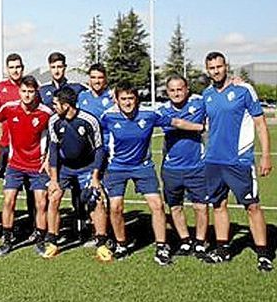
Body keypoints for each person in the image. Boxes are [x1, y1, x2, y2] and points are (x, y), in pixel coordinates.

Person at [184, 52, 272, 271]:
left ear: (226, 66)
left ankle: (263, 254)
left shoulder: (244, 90)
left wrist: (266, 155)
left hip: (239, 160)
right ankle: (222, 250)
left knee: (252, 206)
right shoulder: (207, 95)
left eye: (219, 66)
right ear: (207, 70)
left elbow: (260, 124)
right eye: (211, 68)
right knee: (219, 205)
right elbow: (200, 121)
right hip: (213, 160)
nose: (216, 71)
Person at [100, 83, 172, 265]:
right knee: (115, 207)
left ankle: (162, 246)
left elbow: (175, 121)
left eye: (131, 98)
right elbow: (95, 134)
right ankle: (121, 244)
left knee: (157, 205)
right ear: (116, 100)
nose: (127, 102)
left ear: (136, 99)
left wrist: (197, 127)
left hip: (143, 167)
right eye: (123, 99)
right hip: (116, 167)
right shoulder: (108, 117)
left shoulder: (149, 114)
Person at [44, 86, 111, 261]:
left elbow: (99, 150)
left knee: (96, 201)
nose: (53, 107)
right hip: (65, 168)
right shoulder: (54, 121)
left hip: (87, 168)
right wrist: (53, 179)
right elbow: (53, 149)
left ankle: (102, 243)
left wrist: (95, 177)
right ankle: (52, 243)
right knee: (54, 198)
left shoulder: (89, 120)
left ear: (66, 105)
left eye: (56, 104)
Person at [0, 76, 52, 256]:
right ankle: (7, 241)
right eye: (24, 91)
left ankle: (41, 240)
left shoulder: (46, 113)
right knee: (8, 201)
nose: (27, 95)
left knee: (41, 203)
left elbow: (56, 136)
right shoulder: (9, 108)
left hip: (37, 166)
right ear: (19, 92)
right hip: (15, 164)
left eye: (31, 92)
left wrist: (48, 158)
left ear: (36, 92)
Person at [157, 75, 208, 258]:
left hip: (197, 166)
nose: (176, 93)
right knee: (175, 206)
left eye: (180, 89)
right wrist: (198, 127)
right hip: (171, 168)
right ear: (167, 92)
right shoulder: (162, 110)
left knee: (200, 206)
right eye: (172, 90)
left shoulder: (200, 102)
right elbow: (175, 124)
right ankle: (185, 240)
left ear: (187, 89)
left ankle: (201, 242)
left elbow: (216, 96)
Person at [71, 63, 113, 241]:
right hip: (87, 154)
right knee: (90, 193)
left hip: (107, 151)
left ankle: (108, 232)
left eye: (100, 78)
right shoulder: (82, 97)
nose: (96, 81)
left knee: (108, 192)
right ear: (89, 79)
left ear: (105, 80)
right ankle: (95, 231)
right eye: (93, 77)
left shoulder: (111, 98)